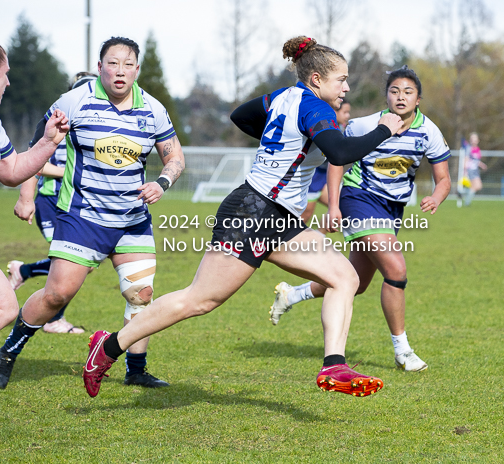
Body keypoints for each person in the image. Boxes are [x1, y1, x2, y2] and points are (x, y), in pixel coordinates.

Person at [81, 36, 405, 399]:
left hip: (276, 216)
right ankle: (108, 348)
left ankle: (334, 365)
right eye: (340, 80)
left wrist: (278, 136)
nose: (346, 87)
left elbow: (241, 115)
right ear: (315, 80)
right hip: (253, 212)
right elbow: (340, 152)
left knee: (344, 276)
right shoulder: (316, 108)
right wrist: (385, 129)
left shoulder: (283, 98)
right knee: (199, 300)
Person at [0, 37, 185, 389]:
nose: (120, 71)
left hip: (131, 221)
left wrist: (163, 182)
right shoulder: (74, 100)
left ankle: (135, 369)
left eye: (128, 64)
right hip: (82, 217)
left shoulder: (153, 109)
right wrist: (26, 194)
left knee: (140, 296)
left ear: (137, 71)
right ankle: (8, 352)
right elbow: (37, 150)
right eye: (113, 63)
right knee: (56, 295)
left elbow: (175, 158)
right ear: (100, 67)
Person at [269, 65, 452, 373]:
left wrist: (437, 196)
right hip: (359, 199)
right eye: (394, 91)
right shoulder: (365, 125)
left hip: (392, 210)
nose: (400, 97)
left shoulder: (429, 132)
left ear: (418, 99)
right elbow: (337, 162)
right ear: (387, 97)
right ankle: (402, 350)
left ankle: (291, 294)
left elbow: (443, 178)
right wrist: (335, 206)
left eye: (408, 92)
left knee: (356, 282)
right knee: (396, 269)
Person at [0, 37, 69, 349]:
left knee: (3, 303)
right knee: (1, 304)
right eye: (4, 74)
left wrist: (48, 142)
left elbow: (12, 171)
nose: (9, 82)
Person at [7, 72, 99, 335]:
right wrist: (67, 172)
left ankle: (23, 270)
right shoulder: (58, 125)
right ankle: (53, 319)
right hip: (50, 202)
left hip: (76, 204)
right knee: (69, 261)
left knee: (81, 264)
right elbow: (34, 160)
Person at [300, 100, 351, 224]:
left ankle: (319, 237)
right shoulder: (323, 127)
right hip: (313, 177)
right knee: (304, 217)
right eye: (345, 112)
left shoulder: (342, 128)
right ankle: (279, 240)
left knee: (344, 210)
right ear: (335, 111)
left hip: (326, 178)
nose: (348, 116)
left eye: (348, 112)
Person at [462, 132, 487, 206]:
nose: (474, 140)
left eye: (475, 139)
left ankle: (464, 196)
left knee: (475, 187)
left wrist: (482, 165)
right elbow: (466, 159)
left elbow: (476, 160)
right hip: (471, 170)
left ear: (478, 140)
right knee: (477, 186)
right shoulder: (469, 148)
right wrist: (465, 170)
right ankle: (464, 197)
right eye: (472, 139)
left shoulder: (477, 149)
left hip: (475, 170)